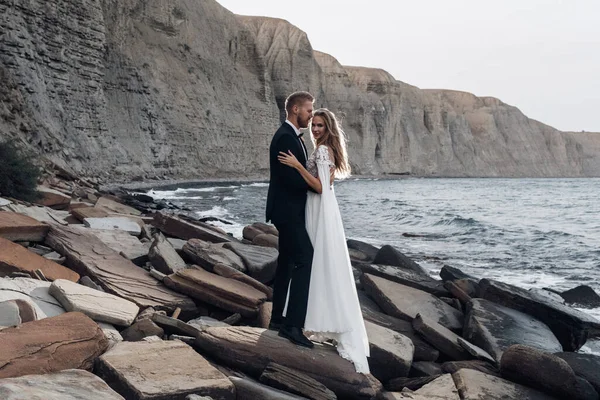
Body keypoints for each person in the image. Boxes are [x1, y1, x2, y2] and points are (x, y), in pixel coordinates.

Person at [278, 108, 370, 373]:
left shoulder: (322, 150)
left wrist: (296, 166)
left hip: (318, 208)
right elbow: (326, 183)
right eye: (314, 125)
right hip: (324, 210)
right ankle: (314, 320)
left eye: (320, 125)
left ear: (328, 128)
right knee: (320, 264)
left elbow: (319, 187)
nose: (315, 129)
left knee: (313, 263)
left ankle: (305, 320)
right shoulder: (327, 150)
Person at [265, 91, 315, 348]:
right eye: (308, 110)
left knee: (286, 262)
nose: (311, 114)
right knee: (306, 258)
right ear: (295, 109)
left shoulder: (290, 136)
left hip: (286, 210)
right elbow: (290, 180)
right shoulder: (285, 137)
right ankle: (292, 325)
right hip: (288, 211)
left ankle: (277, 319)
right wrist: (316, 185)